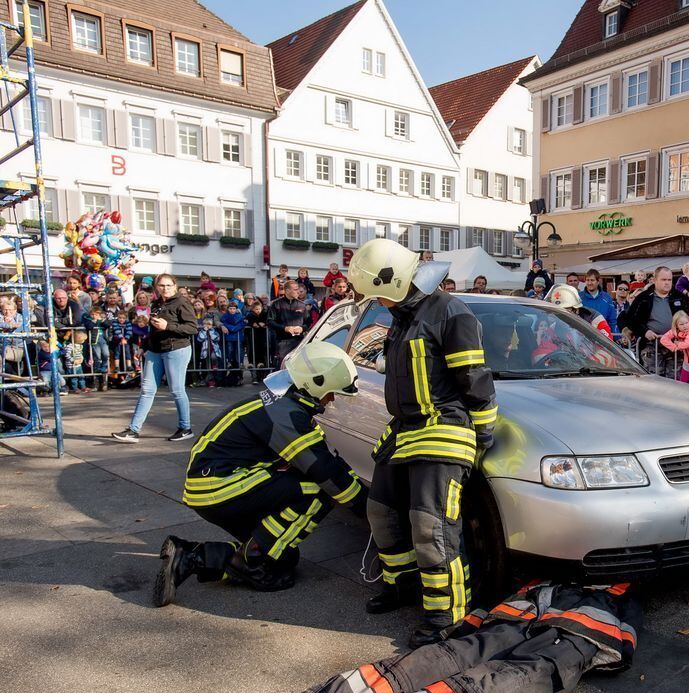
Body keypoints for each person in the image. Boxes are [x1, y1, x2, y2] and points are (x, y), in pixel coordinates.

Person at [347, 239, 498, 649]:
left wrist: (482, 433)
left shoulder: (449, 312)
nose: (370, 300)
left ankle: (446, 617)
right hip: (404, 430)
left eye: (373, 291)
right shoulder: (400, 314)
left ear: (392, 282)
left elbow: (475, 381)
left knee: (432, 528)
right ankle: (402, 587)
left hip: (444, 429)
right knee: (380, 511)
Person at [152, 341, 365, 605]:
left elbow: (324, 456)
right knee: (318, 492)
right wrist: (368, 506)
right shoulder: (286, 414)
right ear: (315, 384)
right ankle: (249, 559)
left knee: (285, 559)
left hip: (214, 486)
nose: (331, 400)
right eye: (331, 393)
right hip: (222, 486)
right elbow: (325, 472)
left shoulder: (282, 402)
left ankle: (191, 557)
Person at [111, 274, 197, 443]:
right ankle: (133, 430)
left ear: (174, 285)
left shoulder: (182, 302)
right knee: (147, 389)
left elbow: (192, 328)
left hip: (177, 349)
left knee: (177, 390)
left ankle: (185, 428)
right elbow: (153, 329)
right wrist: (144, 347)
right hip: (155, 350)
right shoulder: (157, 303)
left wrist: (168, 326)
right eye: (162, 286)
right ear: (157, 287)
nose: (165, 289)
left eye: (168, 285)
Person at [622, 266, 689, 378]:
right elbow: (630, 319)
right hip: (652, 345)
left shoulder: (679, 297)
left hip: (675, 344)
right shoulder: (643, 298)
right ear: (654, 280)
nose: (667, 283)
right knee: (654, 380)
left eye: (669, 280)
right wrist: (645, 332)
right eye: (664, 280)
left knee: (675, 381)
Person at [546, 284, 611, 338]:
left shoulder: (595, 320)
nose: (561, 314)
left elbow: (607, 347)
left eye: (566, 310)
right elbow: (545, 347)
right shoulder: (554, 326)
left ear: (576, 310)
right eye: (558, 311)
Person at [268, 280, 310, 364]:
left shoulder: (302, 305)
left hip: (299, 341)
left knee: (299, 365)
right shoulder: (276, 304)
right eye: (295, 289)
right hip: (283, 341)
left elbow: (309, 322)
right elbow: (270, 322)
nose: (298, 291)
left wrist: (302, 328)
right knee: (284, 366)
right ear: (287, 291)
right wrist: (285, 328)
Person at [660, 310, 689, 385]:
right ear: (677, 326)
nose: (685, 326)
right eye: (681, 324)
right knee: (682, 383)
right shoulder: (676, 331)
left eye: (686, 323)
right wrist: (674, 347)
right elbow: (663, 339)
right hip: (687, 360)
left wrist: (679, 344)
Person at [578, 269, 617, 337]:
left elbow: (612, 321)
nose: (589, 283)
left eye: (592, 280)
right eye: (587, 280)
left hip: (602, 337)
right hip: (583, 337)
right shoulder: (579, 297)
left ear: (598, 281)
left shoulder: (607, 298)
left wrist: (617, 338)